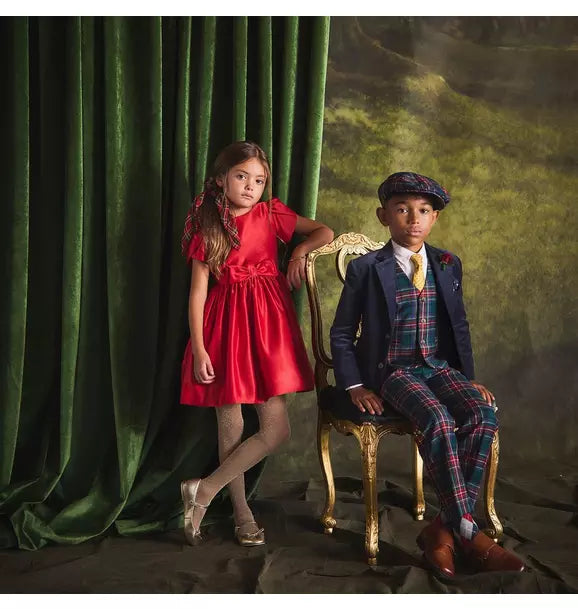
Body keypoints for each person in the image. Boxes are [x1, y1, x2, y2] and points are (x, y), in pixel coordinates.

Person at [330, 171, 525, 577]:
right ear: (383, 216)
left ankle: (443, 531)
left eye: (423, 211)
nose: (413, 219)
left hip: (437, 366)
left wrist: (466, 377)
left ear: (434, 217)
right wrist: (355, 385)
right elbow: (343, 332)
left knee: (483, 414)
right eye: (402, 210)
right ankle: (470, 533)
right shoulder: (367, 268)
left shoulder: (448, 264)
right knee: (437, 418)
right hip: (392, 371)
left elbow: (459, 326)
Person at [179, 140, 334, 547]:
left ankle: (203, 491)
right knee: (230, 424)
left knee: (275, 429)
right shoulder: (208, 226)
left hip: (267, 327)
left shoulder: (270, 214)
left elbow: (324, 231)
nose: (250, 186)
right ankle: (241, 513)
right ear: (221, 179)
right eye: (241, 176)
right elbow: (197, 293)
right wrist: (199, 348)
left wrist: (299, 252)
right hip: (225, 328)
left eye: (259, 180)